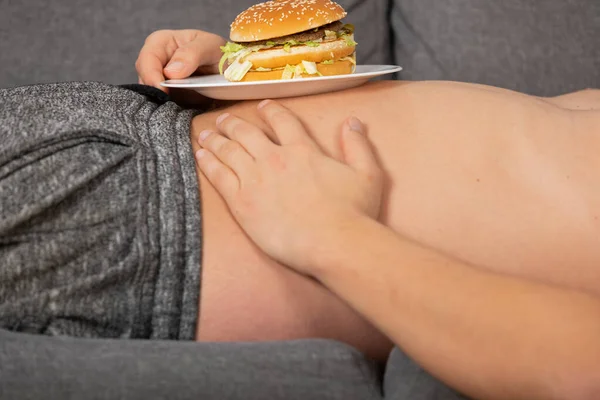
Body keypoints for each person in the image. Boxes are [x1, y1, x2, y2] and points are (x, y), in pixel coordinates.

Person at [0, 27, 598, 400]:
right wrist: (238, 76)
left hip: (124, 234)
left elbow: (580, 367)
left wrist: (336, 237)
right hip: (124, 128)